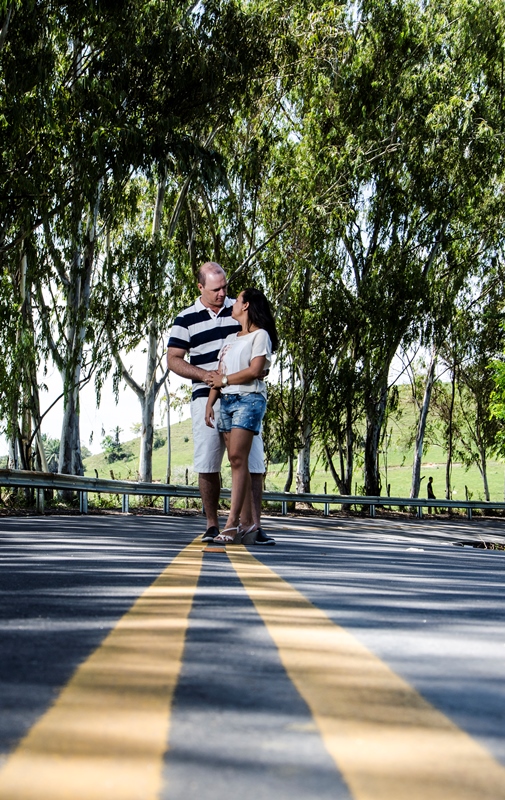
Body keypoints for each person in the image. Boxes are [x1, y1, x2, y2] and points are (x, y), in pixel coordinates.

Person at [167, 262, 275, 545]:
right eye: (216, 289)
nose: (222, 293)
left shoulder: (239, 308)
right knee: (207, 461)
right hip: (207, 396)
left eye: (225, 287)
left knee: (252, 461)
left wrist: (256, 369)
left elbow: (260, 342)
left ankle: (253, 525)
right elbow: (173, 359)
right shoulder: (185, 318)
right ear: (200, 287)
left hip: (245, 396)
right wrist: (206, 377)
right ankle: (213, 524)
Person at [205, 288, 278, 544]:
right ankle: (248, 524)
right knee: (237, 462)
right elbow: (219, 374)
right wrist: (210, 403)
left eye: (237, 300)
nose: (233, 303)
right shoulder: (230, 338)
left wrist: (224, 380)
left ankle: (231, 524)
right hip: (225, 401)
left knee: (237, 457)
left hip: (249, 400)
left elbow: (255, 370)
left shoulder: (261, 335)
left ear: (246, 306)